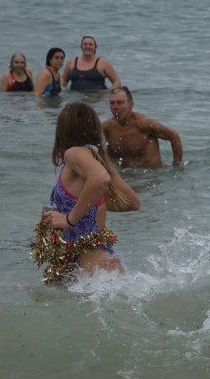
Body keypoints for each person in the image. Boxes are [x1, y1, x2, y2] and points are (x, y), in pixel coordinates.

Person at [35, 101, 141, 281]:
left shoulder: (74, 153)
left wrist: (69, 219)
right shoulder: (100, 161)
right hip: (97, 262)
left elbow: (101, 179)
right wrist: (90, 205)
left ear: (64, 130)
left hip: (90, 265)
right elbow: (132, 203)